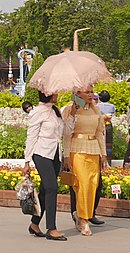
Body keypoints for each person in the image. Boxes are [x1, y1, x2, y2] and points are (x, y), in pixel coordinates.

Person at [61, 85, 108, 237]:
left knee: (93, 184)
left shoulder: (96, 110)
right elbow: (67, 135)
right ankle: (83, 219)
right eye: (86, 92)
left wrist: (104, 154)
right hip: (77, 150)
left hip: (93, 149)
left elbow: (100, 133)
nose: (90, 95)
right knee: (82, 185)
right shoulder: (69, 109)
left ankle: (86, 214)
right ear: (77, 94)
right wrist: (66, 156)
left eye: (91, 92)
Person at [23, 92, 67, 241]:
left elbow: (64, 132)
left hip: (55, 153)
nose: (57, 94)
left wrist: (72, 113)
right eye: (54, 92)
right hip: (41, 153)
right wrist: (27, 161)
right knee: (52, 188)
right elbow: (31, 136)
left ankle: (34, 224)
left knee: (45, 189)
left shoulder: (55, 111)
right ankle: (51, 228)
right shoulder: (38, 112)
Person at [96, 90, 116, 159]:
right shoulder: (112, 106)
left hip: (99, 126)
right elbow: (114, 116)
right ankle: (108, 160)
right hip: (108, 125)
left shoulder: (96, 106)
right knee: (108, 144)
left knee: (99, 143)